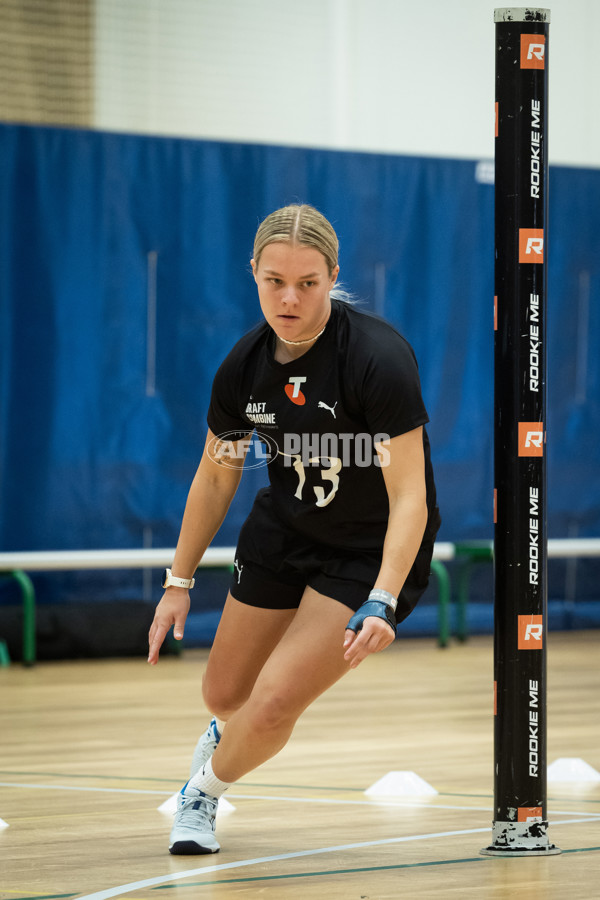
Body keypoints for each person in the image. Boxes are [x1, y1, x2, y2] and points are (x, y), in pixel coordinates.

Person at [147, 203, 441, 855]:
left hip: (365, 550)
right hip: (284, 533)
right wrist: (179, 581)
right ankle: (230, 738)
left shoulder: (377, 359)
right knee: (224, 694)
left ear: (332, 276)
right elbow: (217, 475)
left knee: (275, 701)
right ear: (252, 272)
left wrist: (385, 595)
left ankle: (203, 796)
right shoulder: (243, 367)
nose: (289, 297)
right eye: (274, 280)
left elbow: (411, 496)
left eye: (308, 283)